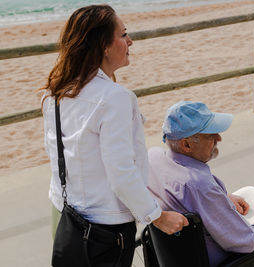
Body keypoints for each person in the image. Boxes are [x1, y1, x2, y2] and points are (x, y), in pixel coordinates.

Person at [41, 5, 188, 266]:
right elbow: (121, 172)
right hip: (104, 230)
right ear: (104, 46)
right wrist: (157, 216)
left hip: (65, 216)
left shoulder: (55, 92)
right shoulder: (114, 98)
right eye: (123, 34)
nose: (130, 41)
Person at [147, 101, 254, 267]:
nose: (219, 138)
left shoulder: (153, 158)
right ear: (186, 144)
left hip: (172, 256)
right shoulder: (199, 185)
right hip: (220, 261)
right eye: (210, 135)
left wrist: (220, 199)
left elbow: (183, 197)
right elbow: (244, 242)